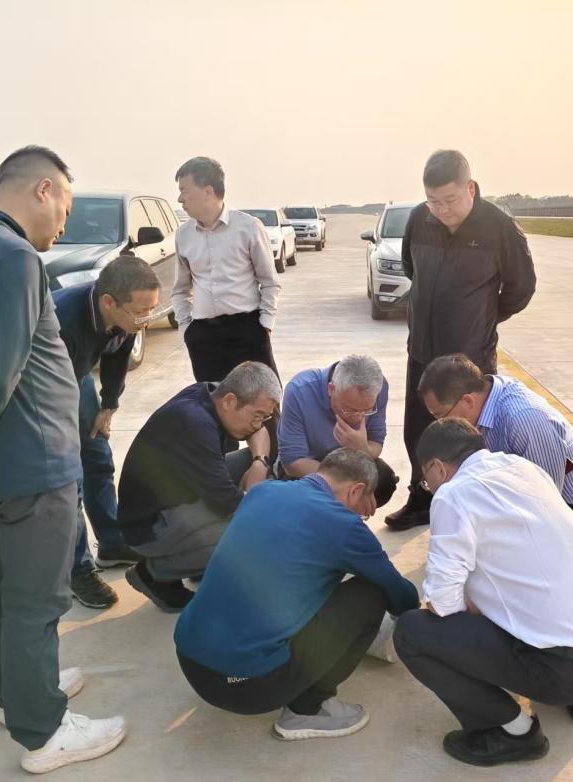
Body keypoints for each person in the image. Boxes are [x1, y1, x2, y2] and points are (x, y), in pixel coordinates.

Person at [0, 146, 125, 773]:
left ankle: (18, 690)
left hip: (2, 464)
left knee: (4, 592)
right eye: (65, 206)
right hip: (35, 462)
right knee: (37, 600)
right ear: (43, 190)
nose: (64, 224)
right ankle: (43, 730)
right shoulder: (14, 257)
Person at [394, 419, 573, 768]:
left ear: (438, 468)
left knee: (413, 632)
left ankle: (516, 733)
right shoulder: (523, 467)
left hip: (568, 671)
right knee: (511, 573)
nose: (429, 488)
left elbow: (442, 602)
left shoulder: (453, 494)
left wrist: (468, 605)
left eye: (425, 481)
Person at [176, 448, 419, 740]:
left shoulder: (262, 491)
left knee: (303, 574)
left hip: (190, 661)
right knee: (371, 593)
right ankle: (307, 709)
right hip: (246, 686)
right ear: (356, 490)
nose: (362, 518)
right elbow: (399, 593)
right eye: (364, 510)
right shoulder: (343, 525)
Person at [387, 150, 536, 531]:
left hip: (468, 359)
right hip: (423, 351)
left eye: (450, 200)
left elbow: (521, 288)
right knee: (419, 430)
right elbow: (411, 268)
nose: (442, 210)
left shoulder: (499, 227)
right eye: (433, 201)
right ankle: (422, 497)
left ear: (470, 188)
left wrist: (481, 317)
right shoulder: (419, 220)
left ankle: (477, 510)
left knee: (472, 437)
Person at [117, 361, 280, 611]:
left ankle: (197, 560)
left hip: (181, 493)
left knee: (258, 468)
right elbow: (230, 505)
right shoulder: (195, 423)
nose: (259, 424)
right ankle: (153, 573)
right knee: (252, 534)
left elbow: (260, 435)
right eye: (257, 415)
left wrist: (259, 463)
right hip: (149, 525)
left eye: (265, 417)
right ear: (229, 401)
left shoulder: (209, 394)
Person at [52, 255, 162, 610]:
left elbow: (118, 356)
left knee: (98, 456)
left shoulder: (125, 320)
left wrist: (108, 406)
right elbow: (51, 390)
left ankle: (113, 543)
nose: (147, 321)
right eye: (141, 312)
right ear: (108, 303)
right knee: (69, 479)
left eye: (152, 310)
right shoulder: (62, 320)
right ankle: (77, 570)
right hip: (44, 387)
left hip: (78, 373)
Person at [417, 354, 573, 539]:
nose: (442, 423)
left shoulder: (525, 419)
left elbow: (545, 502)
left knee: (485, 543)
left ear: (468, 401)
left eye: (441, 415)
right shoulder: (485, 396)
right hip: (523, 496)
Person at [171, 156, 281, 384]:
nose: (180, 198)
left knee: (264, 399)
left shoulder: (248, 228)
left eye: (184, 190)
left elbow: (270, 282)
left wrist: (265, 326)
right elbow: (180, 290)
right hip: (203, 337)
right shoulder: (183, 235)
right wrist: (187, 330)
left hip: (247, 330)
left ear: (208, 191)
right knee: (212, 401)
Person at [278, 354, 398, 509]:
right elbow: (293, 462)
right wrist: (339, 482)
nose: (359, 418)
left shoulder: (378, 388)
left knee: (384, 482)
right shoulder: (300, 390)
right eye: (350, 410)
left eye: (367, 410)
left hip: (352, 464)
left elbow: (376, 441)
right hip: (311, 468)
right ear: (331, 389)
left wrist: (362, 449)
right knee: (304, 496)